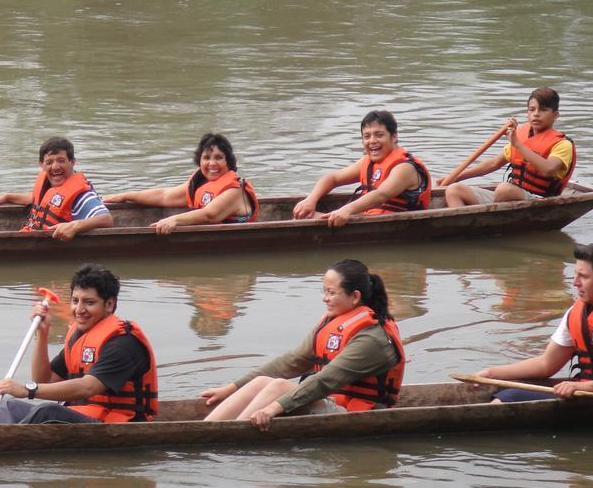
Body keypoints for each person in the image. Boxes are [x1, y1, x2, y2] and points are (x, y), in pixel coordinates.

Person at [202, 259, 405, 429]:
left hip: (358, 414)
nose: (325, 299)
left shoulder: (373, 337)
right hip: (334, 403)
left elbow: (325, 380)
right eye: (324, 291)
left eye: (332, 293)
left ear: (355, 297)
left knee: (279, 386)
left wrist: (274, 407)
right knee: (262, 381)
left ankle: (233, 434)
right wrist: (232, 388)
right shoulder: (333, 321)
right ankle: (207, 428)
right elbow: (292, 361)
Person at [474, 244, 593, 402]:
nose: (574, 283)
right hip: (587, 391)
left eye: (583, 277)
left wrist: (589, 388)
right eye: (575, 274)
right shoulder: (577, 312)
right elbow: (546, 365)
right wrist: (491, 373)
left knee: (510, 397)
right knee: (499, 390)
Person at [0, 264, 157, 424]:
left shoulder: (123, 344)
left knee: (46, 412)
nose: (79, 309)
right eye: (75, 301)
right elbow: (44, 380)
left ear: (109, 304)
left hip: (113, 421)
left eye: (89, 302)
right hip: (82, 414)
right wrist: (42, 334)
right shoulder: (79, 338)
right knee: (7, 406)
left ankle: (5, 444)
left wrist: (28, 390)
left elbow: (88, 387)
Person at [292, 110, 432, 228]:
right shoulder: (368, 162)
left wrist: (346, 210)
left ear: (394, 137)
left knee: (305, 219)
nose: (372, 141)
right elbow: (333, 178)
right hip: (368, 218)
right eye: (367, 136)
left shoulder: (404, 167)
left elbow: (381, 195)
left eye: (379, 135)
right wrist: (311, 199)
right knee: (304, 214)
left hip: (391, 224)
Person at [104, 132, 259, 235]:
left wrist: (174, 220)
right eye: (206, 158)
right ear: (200, 160)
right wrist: (125, 196)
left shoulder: (235, 190)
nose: (212, 163)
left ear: (228, 161)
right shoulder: (200, 184)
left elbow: (210, 215)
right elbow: (164, 196)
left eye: (219, 158)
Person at [445, 87, 576, 206]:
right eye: (532, 109)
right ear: (527, 112)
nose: (536, 114)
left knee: (504, 189)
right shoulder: (520, 135)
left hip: (539, 200)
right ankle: (468, 226)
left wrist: (517, 144)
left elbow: (548, 169)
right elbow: (493, 164)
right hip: (507, 197)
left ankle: (488, 220)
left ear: (555, 115)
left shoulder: (563, 144)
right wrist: (457, 177)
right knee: (454, 189)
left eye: (543, 110)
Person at [0, 137, 113, 241]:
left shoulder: (81, 196)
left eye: (61, 160)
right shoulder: (51, 184)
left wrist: (74, 226)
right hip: (30, 236)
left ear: (72, 162)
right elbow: (40, 201)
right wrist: (8, 197)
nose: (55, 167)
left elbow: (106, 219)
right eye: (49, 162)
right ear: (41, 164)